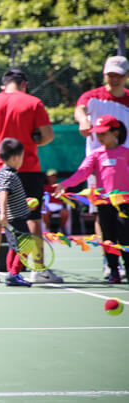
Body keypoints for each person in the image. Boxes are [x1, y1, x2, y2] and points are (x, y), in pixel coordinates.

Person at [0, 69, 62, 284]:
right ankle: (38, 269)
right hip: (29, 168)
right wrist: (32, 144)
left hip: (0, 168)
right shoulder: (33, 103)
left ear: (4, 85)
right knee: (32, 217)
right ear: (24, 84)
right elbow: (48, 135)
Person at [53, 115, 129, 283]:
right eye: (98, 134)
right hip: (104, 204)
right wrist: (64, 184)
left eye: (104, 133)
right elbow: (82, 173)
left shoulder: (126, 153)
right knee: (108, 238)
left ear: (115, 132)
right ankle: (113, 270)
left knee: (126, 237)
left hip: (124, 204)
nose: (100, 137)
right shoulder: (96, 155)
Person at [73, 55, 129, 267]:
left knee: (125, 218)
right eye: (110, 75)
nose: (114, 79)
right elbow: (80, 109)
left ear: (126, 76)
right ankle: (109, 260)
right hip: (99, 169)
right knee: (102, 214)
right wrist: (83, 120)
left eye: (118, 76)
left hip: (126, 166)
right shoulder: (92, 96)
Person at [0, 138, 33, 287]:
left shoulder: (2, 175)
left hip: (12, 218)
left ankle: (12, 273)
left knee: (14, 247)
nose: (22, 161)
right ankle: (14, 274)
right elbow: (4, 193)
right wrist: (3, 213)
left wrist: (24, 202)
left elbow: (8, 195)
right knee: (27, 245)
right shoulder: (9, 176)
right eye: (22, 157)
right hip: (15, 219)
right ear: (16, 158)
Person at [42, 169, 69, 235]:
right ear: (47, 177)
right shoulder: (44, 187)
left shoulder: (60, 187)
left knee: (65, 213)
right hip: (47, 206)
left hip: (59, 206)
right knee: (44, 212)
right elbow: (42, 198)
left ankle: (60, 229)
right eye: (50, 176)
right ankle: (48, 229)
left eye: (53, 176)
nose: (52, 178)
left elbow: (64, 198)